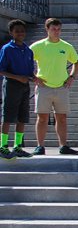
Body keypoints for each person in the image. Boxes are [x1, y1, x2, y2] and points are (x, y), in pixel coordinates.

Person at [30, 17, 78, 155]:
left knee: (62, 117)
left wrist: (72, 77)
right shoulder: (38, 46)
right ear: (47, 29)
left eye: (58, 29)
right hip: (44, 86)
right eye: (53, 29)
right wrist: (34, 77)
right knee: (42, 117)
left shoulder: (66, 46)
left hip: (61, 86)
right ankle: (40, 145)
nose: (56, 32)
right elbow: (26, 60)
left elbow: (77, 62)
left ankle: (63, 145)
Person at [0, 20, 34, 159]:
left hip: (25, 86)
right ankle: (3, 146)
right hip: (12, 85)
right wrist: (17, 77)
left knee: (22, 117)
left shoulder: (28, 50)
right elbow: (1, 70)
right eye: (17, 31)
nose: (20, 33)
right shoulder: (7, 49)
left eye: (22, 30)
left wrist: (35, 78)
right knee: (8, 116)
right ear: (11, 33)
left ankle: (18, 146)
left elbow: (30, 71)